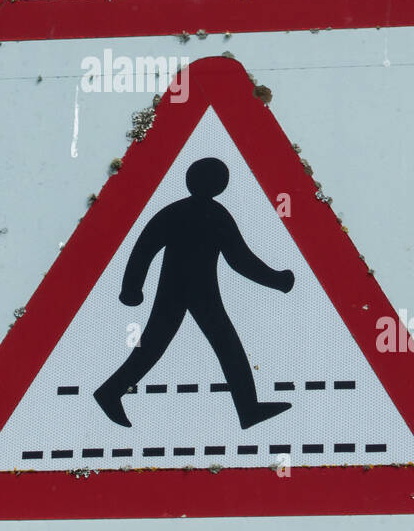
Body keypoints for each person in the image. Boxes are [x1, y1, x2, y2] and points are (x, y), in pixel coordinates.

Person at [94, 156, 294, 430]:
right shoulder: (215, 215)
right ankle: (248, 409)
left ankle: (111, 391)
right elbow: (240, 260)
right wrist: (277, 280)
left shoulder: (176, 211)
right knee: (219, 346)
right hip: (196, 292)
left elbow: (144, 249)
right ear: (220, 185)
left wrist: (132, 289)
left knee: (160, 347)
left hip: (182, 289)